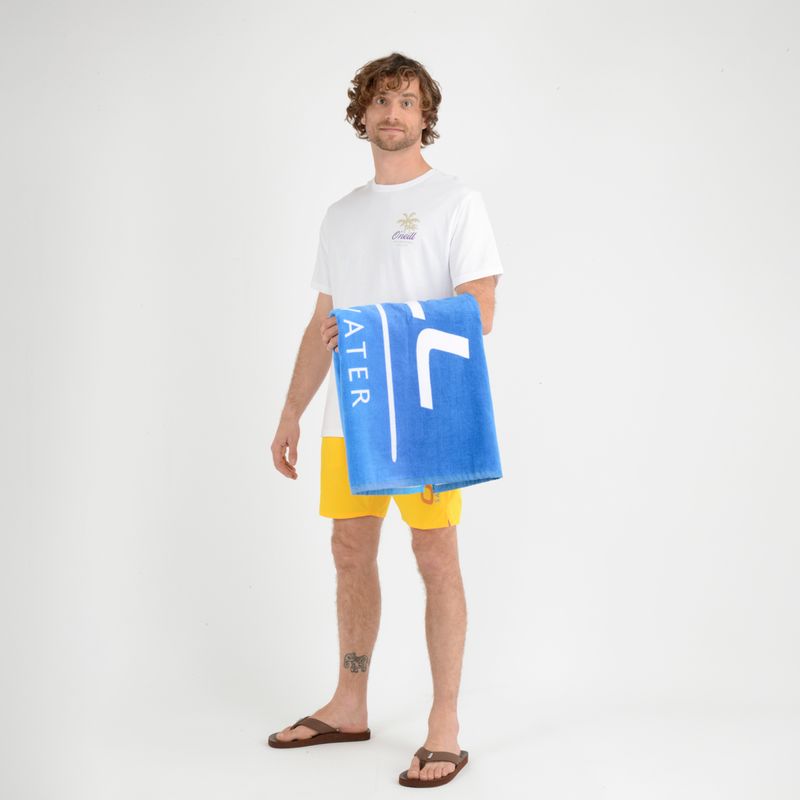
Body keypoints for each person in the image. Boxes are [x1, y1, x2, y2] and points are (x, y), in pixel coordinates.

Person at [268, 52, 504, 788]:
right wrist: (291, 410)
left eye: (406, 100)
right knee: (349, 550)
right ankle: (349, 704)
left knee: (435, 557)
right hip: (352, 415)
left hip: (425, 413)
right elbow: (324, 320)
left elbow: (480, 311)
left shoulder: (456, 201)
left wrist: (377, 324)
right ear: (361, 114)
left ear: (425, 115)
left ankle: (445, 725)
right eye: (379, 100)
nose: (392, 112)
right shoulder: (341, 214)